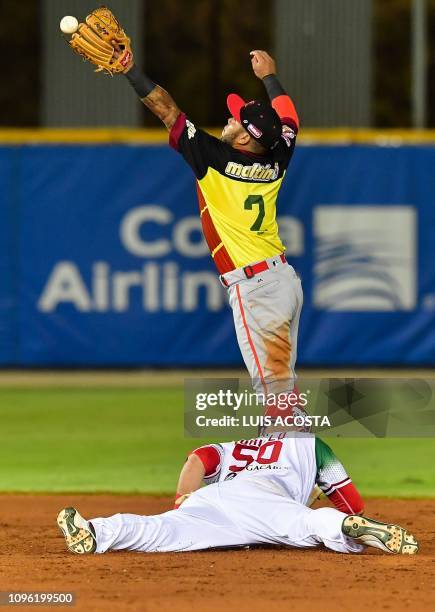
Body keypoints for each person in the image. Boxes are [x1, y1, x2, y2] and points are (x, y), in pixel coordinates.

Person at [121, 48, 303, 420]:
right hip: (281, 281)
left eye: (235, 119)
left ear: (243, 140)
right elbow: (289, 120)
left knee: (276, 398)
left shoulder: (215, 160)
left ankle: (296, 471)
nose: (229, 119)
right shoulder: (277, 155)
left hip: (257, 289)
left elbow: (166, 110)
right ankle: (305, 471)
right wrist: (270, 77)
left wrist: (130, 70)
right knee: (282, 392)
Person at [57, 433, 418, 556]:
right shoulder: (314, 446)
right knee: (307, 523)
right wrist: (317, 497)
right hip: (267, 500)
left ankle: (95, 532)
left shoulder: (245, 445)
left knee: (163, 530)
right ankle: (351, 530)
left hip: (215, 500)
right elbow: (351, 501)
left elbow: (200, 457)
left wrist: (184, 496)